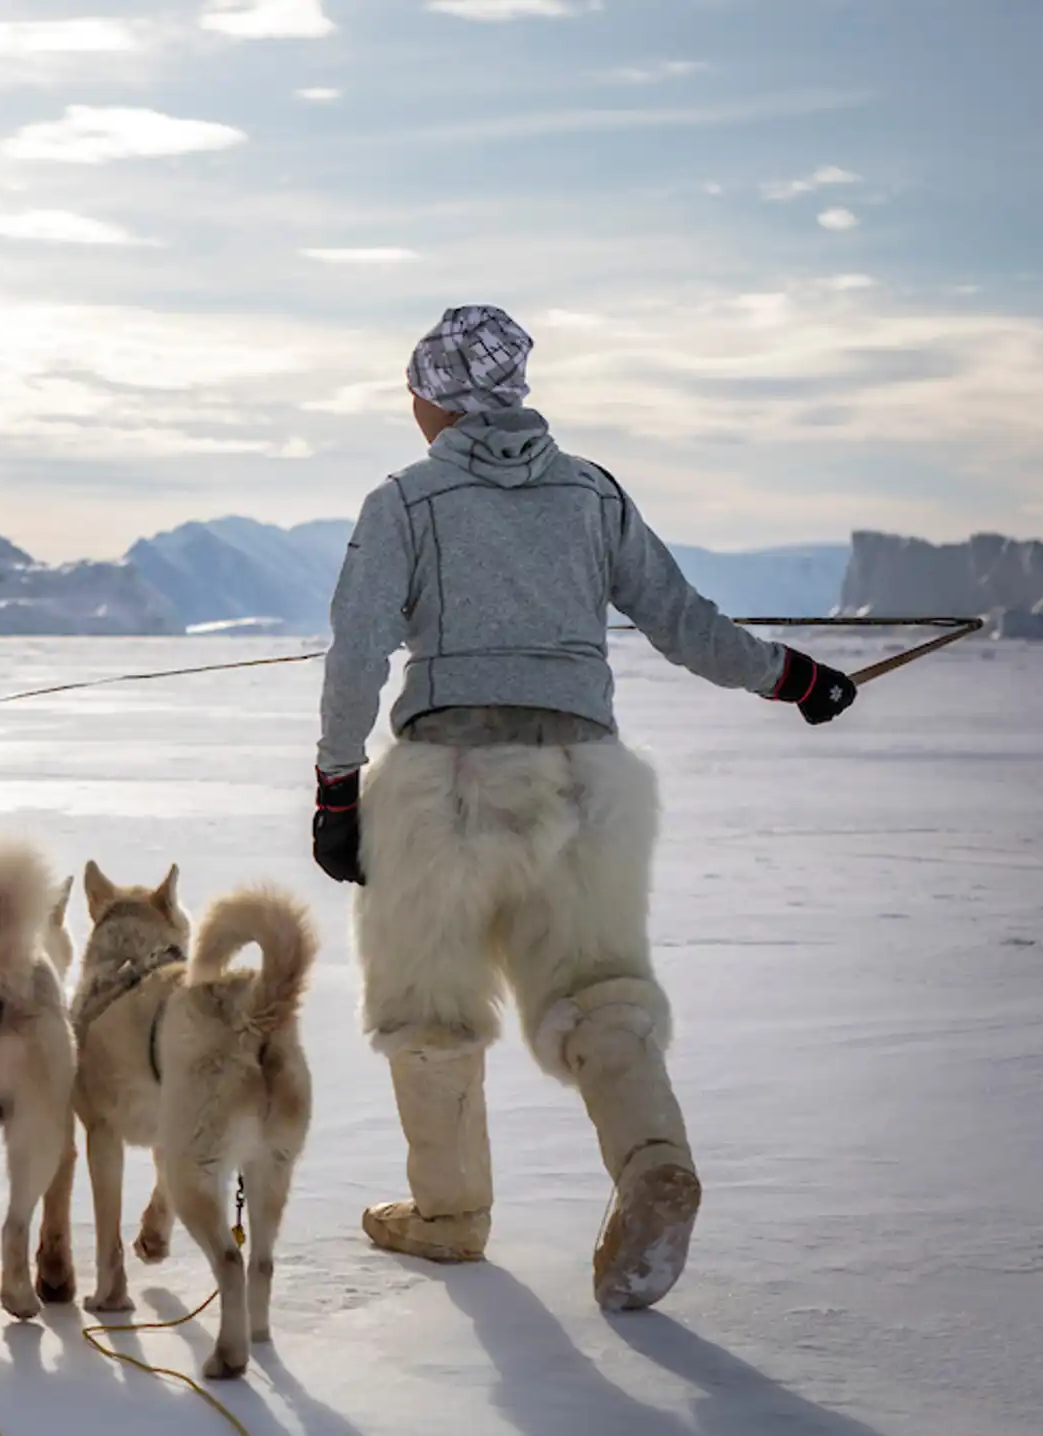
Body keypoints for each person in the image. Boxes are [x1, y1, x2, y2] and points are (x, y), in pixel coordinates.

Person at [312, 305, 857, 1311]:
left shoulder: (404, 500)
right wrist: (795, 677)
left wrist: (336, 787)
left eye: (415, 390)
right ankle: (651, 1163)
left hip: (447, 786)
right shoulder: (591, 492)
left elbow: (356, 652)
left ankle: (447, 1219)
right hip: (585, 782)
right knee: (600, 994)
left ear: (436, 397)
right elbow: (683, 622)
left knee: (429, 1013)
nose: (412, 407)